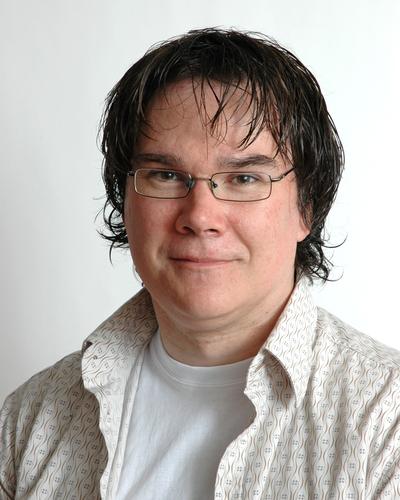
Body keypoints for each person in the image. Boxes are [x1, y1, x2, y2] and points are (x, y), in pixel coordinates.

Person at [1, 28, 399, 500]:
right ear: (124, 200)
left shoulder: (386, 421)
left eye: (244, 178)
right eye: (166, 175)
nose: (200, 216)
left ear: (306, 208)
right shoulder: (31, 418)